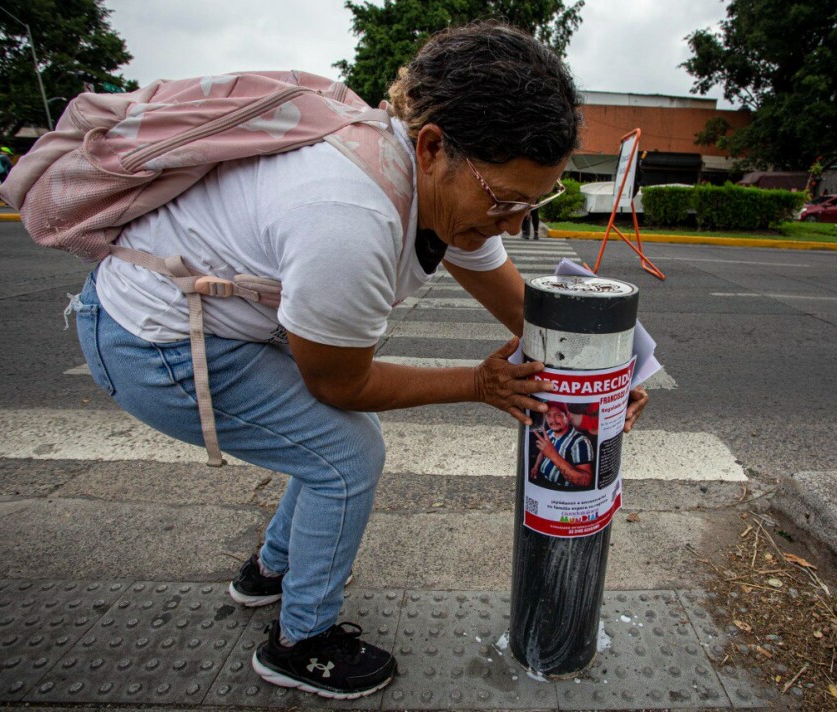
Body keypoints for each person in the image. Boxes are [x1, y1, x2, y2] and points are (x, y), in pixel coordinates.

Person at [68, 21, 648, 699]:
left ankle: (272, 570)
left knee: (324, 447)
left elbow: (520, 307)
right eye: (504, 201)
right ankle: (299, 641)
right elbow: (340, 384)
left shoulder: (430, 181)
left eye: (532, 203)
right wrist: (478, 383)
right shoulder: (352, 217)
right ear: (433, 146)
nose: (514, 224)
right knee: (346, 456)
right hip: (150, 343)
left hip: (203, 323)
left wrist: (606, 378)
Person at [530, 402, 594, 488]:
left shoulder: (580, 442)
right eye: (548, 416)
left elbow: (585, 481)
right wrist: (536, 466)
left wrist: (552, 454)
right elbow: (543, 452)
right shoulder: (549, 433)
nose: (553, 420)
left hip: (560, 489)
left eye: (557, 415)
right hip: (542, 480)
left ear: (567, 416)